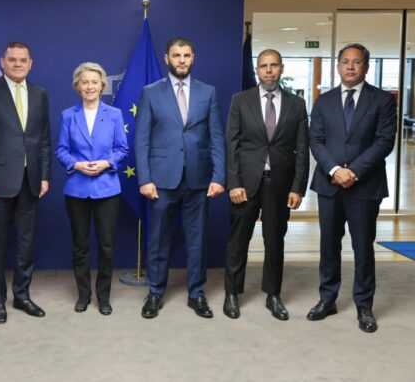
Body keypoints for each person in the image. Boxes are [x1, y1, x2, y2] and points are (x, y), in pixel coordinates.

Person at [307, 43, 396, 333]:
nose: (350, 66)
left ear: (366, 67)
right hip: (329, 184)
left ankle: (364, 305)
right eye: (345, 61)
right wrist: (335, 170)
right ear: (338, 66)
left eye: (356, 62)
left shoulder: (382, 100)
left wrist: (353, 171)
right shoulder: (324, 101)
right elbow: (316, 140)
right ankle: (327, 298)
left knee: (363, 247)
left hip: (365, 186)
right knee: (328, 245)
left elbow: (384, 142)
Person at [135, 36, 226, 319]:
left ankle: (196, 294)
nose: (182, 60)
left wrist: (219, 176)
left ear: (193, 58)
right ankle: (155, 293)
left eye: (186, 55)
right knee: (158, 240)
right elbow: (142, 139)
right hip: (161, 180)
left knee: (197, 241)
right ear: (167, 59)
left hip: (199, 179)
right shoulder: (151, 93)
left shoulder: (208, 92)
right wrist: (144, 179)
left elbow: (216, 136)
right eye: (177, 55)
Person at [222, 49, 309, 320]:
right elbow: (231, 144)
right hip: (245, 185)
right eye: (263, 66)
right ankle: (232, 293)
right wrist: (234, 183)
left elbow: (302, 149)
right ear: (257, 70)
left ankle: (273, 294)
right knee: (238, 241)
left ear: (282, 68)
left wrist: (298, 187)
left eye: (273, 65)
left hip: (280, 185)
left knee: (275, 241)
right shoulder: (240, 100)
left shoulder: (297, 104)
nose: (268, 71)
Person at [0, 41, 51, 324]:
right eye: (12, 60)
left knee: (26, 244)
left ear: (31, 63)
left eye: (23, 60)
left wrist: (44, 175)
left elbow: (44, 140)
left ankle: (22, 295)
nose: (18, 64)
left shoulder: (40, 93)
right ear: (2, 62)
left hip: (30, 181)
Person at [55, 62, 129, 315]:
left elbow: (122, 148)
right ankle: (83, 295)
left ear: (102, 86)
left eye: (94, 82)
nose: (90, 86)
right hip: (76, 189)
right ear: (77, 86)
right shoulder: (68, 115)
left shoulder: (114, 114)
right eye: (84, 82)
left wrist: (107, 162)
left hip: (107, 188)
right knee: (80, 245)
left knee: (106, 246)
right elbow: (61, 150)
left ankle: (103, 296)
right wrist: (76, 164)